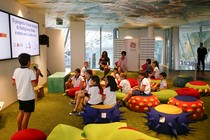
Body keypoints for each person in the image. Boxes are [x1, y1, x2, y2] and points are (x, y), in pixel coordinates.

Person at [12, 53, 41, 131]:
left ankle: (19, 131)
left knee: (21, 113)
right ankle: (24, 134)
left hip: (20, 97)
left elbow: (13, 83)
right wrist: (37, 75)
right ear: (28, 62)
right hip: (28, 98)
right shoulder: (30, 72)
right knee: (27, 115)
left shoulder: (16, 70)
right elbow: (35, 85)